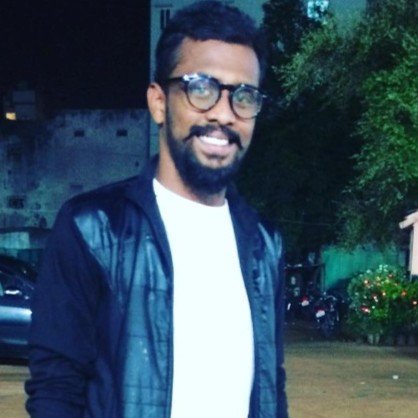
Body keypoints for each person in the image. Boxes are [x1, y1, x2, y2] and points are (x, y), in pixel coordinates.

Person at [25, 1, 288, 417]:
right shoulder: (92, 230)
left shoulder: (265, 245)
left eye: (244, 96)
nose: (224, 114)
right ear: (159, 101)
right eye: (202, 88)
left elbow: (272, 383)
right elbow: (55, 390)